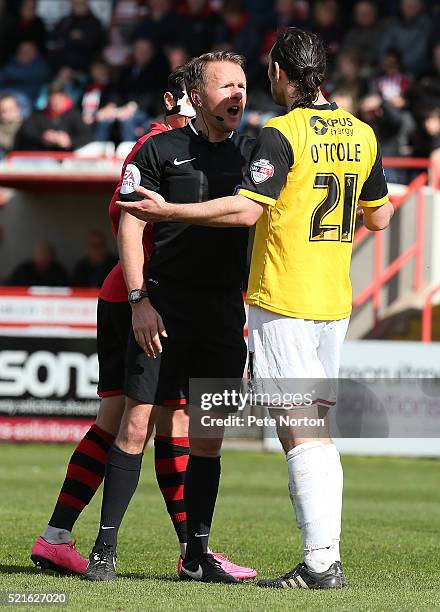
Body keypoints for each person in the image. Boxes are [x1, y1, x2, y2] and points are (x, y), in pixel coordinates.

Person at [119, 27, 394, 588]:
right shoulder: (362, 134)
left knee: (301, 432)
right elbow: (379, 217)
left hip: (285, 299)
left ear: (278, 74)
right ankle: (323, 558)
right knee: (316, 425)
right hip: (333, 302)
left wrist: (169, 212)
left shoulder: (281, 133)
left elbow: (246, 213)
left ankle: (320, 564)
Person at [30, 64, 254, 583]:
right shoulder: (156, 147)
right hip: (139, 297)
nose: (234, 99)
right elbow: (128, 219)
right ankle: (71, 537)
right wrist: (140, 296)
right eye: (221, 89)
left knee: (157, 422)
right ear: (185, 99)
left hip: (171, 301)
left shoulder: (224, 152)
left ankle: (180, 549)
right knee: (129, 421)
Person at [15, 82, 92, 151]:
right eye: (53, 99)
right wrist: (44, 136)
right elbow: (26, 132)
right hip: (41, 157)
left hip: (68, 159)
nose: (55, 103)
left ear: (65, 98)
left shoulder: (74, 115)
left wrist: (69, 141)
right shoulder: (37, 115)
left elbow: (87, 136)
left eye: (58, 99)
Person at [0, 93, 23, 157]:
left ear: (18, 109)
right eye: (3, 110)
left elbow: (13, 144)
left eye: (10, 109)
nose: (6, 113)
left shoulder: (26, 126)